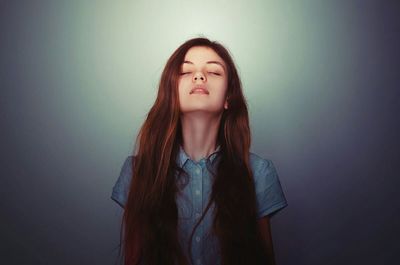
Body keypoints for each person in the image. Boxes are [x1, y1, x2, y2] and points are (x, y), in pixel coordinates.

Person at [111, 37, 288, 265]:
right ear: (171, 93)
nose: (199, 76)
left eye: (214, 72)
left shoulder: (258, 172)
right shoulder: (136, 171)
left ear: (228, 98)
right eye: (185, 72)